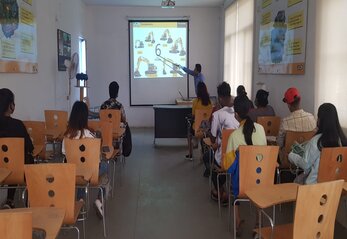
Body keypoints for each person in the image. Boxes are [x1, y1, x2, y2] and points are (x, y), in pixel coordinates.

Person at [224, 94, 267, 236]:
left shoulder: (234, 136)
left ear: (236, 114)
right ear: (250, 110)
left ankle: (237, 221)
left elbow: (227, 166)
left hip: (242, 186)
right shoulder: (260, 129)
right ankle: (258, 223)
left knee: (234, 179)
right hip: (261, 182)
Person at [62, 101, 108, 219]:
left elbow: (64, 154)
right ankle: (99, 200)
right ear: (85, 117)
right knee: (105, 168)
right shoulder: (90, 135)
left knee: (80, 170)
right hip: (90, 174)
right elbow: (97, 158)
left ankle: (80, 201)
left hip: (72, 173)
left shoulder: (66, 136)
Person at [289, 103, 347, 184]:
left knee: (296, 181)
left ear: (320, 119)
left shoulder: (317, 141)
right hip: (335, 185)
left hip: (314, 186)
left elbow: (305, 164)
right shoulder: (342, 139)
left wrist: (291, 156)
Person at [0, 88, 34, 209]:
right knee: (19, 160)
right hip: (18, 171)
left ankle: (9, 200)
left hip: (1, 170)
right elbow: (30, 147)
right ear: (10, 106)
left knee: (9, 161)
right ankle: (22, 201)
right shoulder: (18, 125)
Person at [207, 82, 239, 180]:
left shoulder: (217, 114)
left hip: (225, 156)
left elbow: (212, 139)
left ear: (220, 98)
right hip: (240, 154)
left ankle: (219, 190)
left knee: (208, 157)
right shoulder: (239, 111)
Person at [277, 87, 316, 165]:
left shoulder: (285, 121)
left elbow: (279, 144)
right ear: (300, 100)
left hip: (288, 160)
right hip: (307, 158)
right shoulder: (311, 117)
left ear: (288, 104)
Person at [186, 82, 213, 160]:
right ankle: (203, 151)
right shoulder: (210, 102)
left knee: (188, 132)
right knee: (203, 132)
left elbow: (193, 115)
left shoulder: (195, 101)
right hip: (207, 128)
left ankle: (191, 154)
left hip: (197, 128)